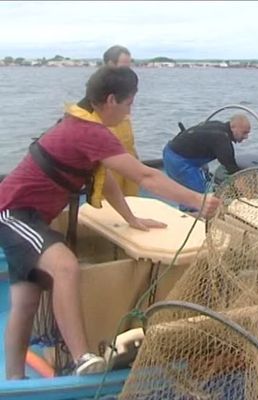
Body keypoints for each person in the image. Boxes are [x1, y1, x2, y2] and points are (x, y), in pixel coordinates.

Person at [0, 66, 221, 380]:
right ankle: (82, 359)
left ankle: (14, 380)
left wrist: (131, 218)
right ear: (111, 100)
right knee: (65, 266)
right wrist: (198, 199)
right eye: (129, 103)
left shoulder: (82, 121)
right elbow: (146, 176)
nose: (130, 112)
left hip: (26, 217)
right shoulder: (89, 131)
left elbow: (105, 180)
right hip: (14, 214)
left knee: (25, 302)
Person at [84, 45, 139, 207]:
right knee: (108, 204)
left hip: (128, 154)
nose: (128, 72)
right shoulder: (98, 91)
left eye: (129, 67)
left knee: (133, 201)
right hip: (109, 159)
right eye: (123, 67)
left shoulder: (125, 90)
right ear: (109, 64)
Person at [162, 114, 251, 209]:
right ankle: (189, 216)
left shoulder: (216, 125)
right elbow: (233, 171)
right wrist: (247, 195)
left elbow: (196, 136)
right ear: (233, 127)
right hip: (179, 161)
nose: (246, 137)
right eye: (244, 133)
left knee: (193, 191)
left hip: (170, 150)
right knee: (198, 198)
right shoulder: (222, 140)